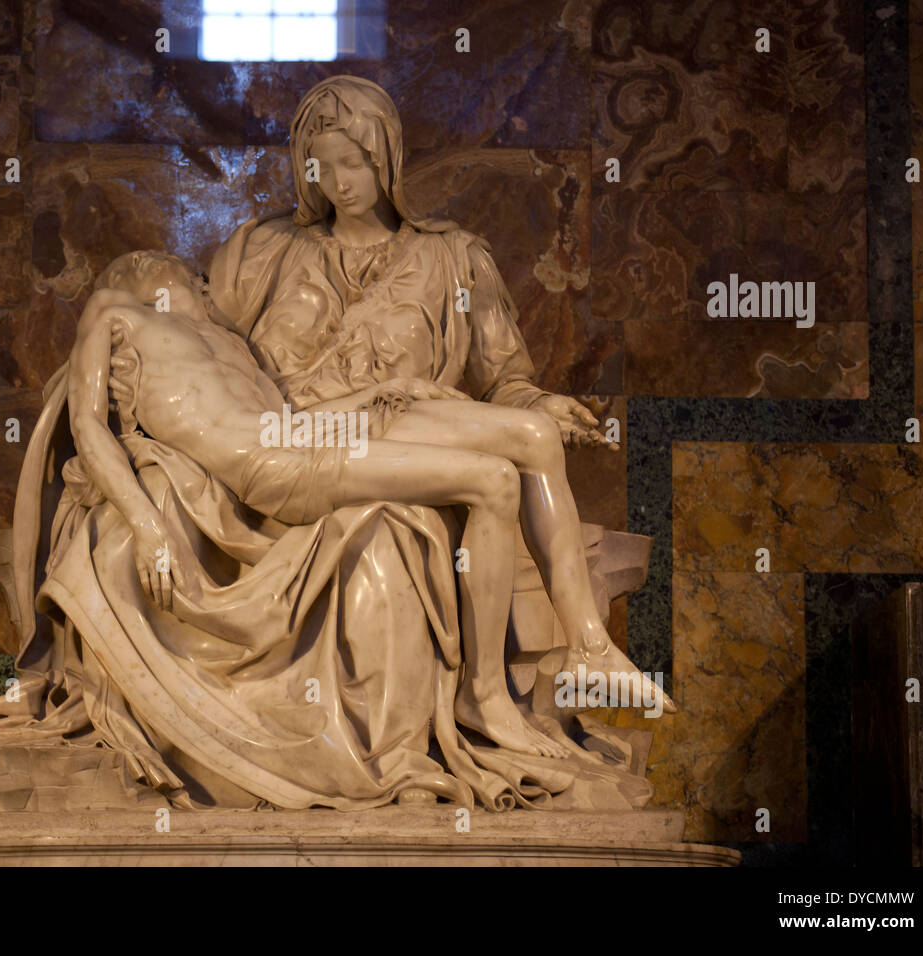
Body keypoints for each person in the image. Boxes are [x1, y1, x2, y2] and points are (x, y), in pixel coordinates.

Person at [69, 250, 672, 758]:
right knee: (492, 482)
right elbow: (88, 426)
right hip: (275, 467)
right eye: (192, 278)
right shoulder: (116, 312)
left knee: (530, 436)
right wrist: (147, 525)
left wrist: (383, 393)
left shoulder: (226, 343)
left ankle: (593, 647)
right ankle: (484, 696)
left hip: (300, 438)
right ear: (152, 273)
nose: (205, 287)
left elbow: (286, 420)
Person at [209, 75, 669, 715]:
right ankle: (516, 683)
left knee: (533, 434)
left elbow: (502, 378)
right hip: (303, 437)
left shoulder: (454, 259)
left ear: (387, 159)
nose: (339, 183)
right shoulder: (262, 253)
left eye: (355, 163)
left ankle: (590, 649)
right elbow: (202, 352)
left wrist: (537, 403)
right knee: (477, 472)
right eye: (323, 167)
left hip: (402, 425)